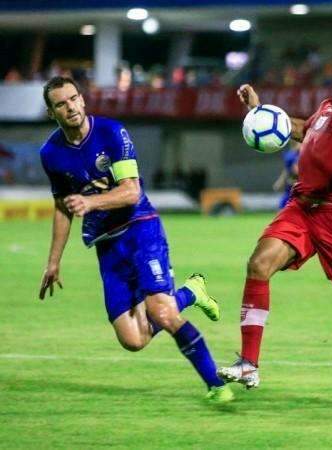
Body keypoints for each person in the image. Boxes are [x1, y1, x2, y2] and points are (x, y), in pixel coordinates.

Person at [218, 49, 332, 409]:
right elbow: (299, 129)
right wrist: (261, 110)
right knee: (259, 265)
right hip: (303, 207)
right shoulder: (327, 109)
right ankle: (249, 363)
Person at [38, 76, 233, 403]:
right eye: (61, 103)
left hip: (142, 229)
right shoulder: (51, 153)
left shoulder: (112, 133)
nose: (70, 106)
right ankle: (190, 293)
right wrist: (54, 261)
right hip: (107, 244)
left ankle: (216, 385)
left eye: (74, 98)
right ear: (51, 112)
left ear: (83, 100)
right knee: (132, 339)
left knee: (163, 314)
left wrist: (90, 202)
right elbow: (62, 207)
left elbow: (131, 191)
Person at [272, 140, 300, 209]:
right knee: (283, 207)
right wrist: (279, 182)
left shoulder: (301, 153)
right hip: (289, 188)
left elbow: (297, 170)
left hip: (299, 189)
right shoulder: (289, 154)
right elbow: (286, 170)